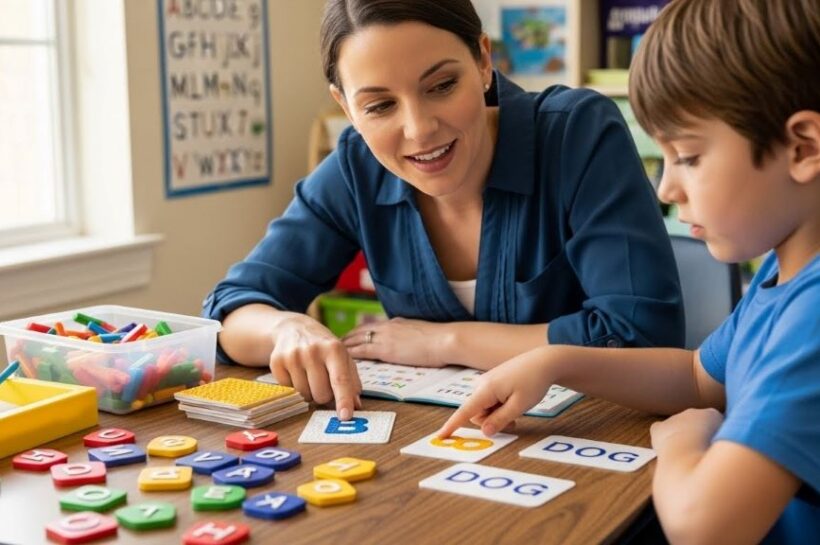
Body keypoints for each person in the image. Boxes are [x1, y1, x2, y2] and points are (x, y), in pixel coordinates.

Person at [438, 1, 820, 543]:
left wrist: (684, 440)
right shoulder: (785, 274)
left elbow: (703, 526)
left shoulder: (814, 313)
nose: (666, 189)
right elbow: (698, 377)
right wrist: (555, 361)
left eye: (686, 157)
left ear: (803, 147)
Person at [202, 0, 684, 421]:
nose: (419, 129)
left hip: (593, 444)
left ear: (482, 61)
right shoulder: (355, 167)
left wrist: (443, 342)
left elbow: (641, 338)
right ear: (347, 108)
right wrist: (287, 326)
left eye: (441, 85)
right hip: (437, 450)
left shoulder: (576, 135)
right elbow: (229, 312)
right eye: (379, 106)